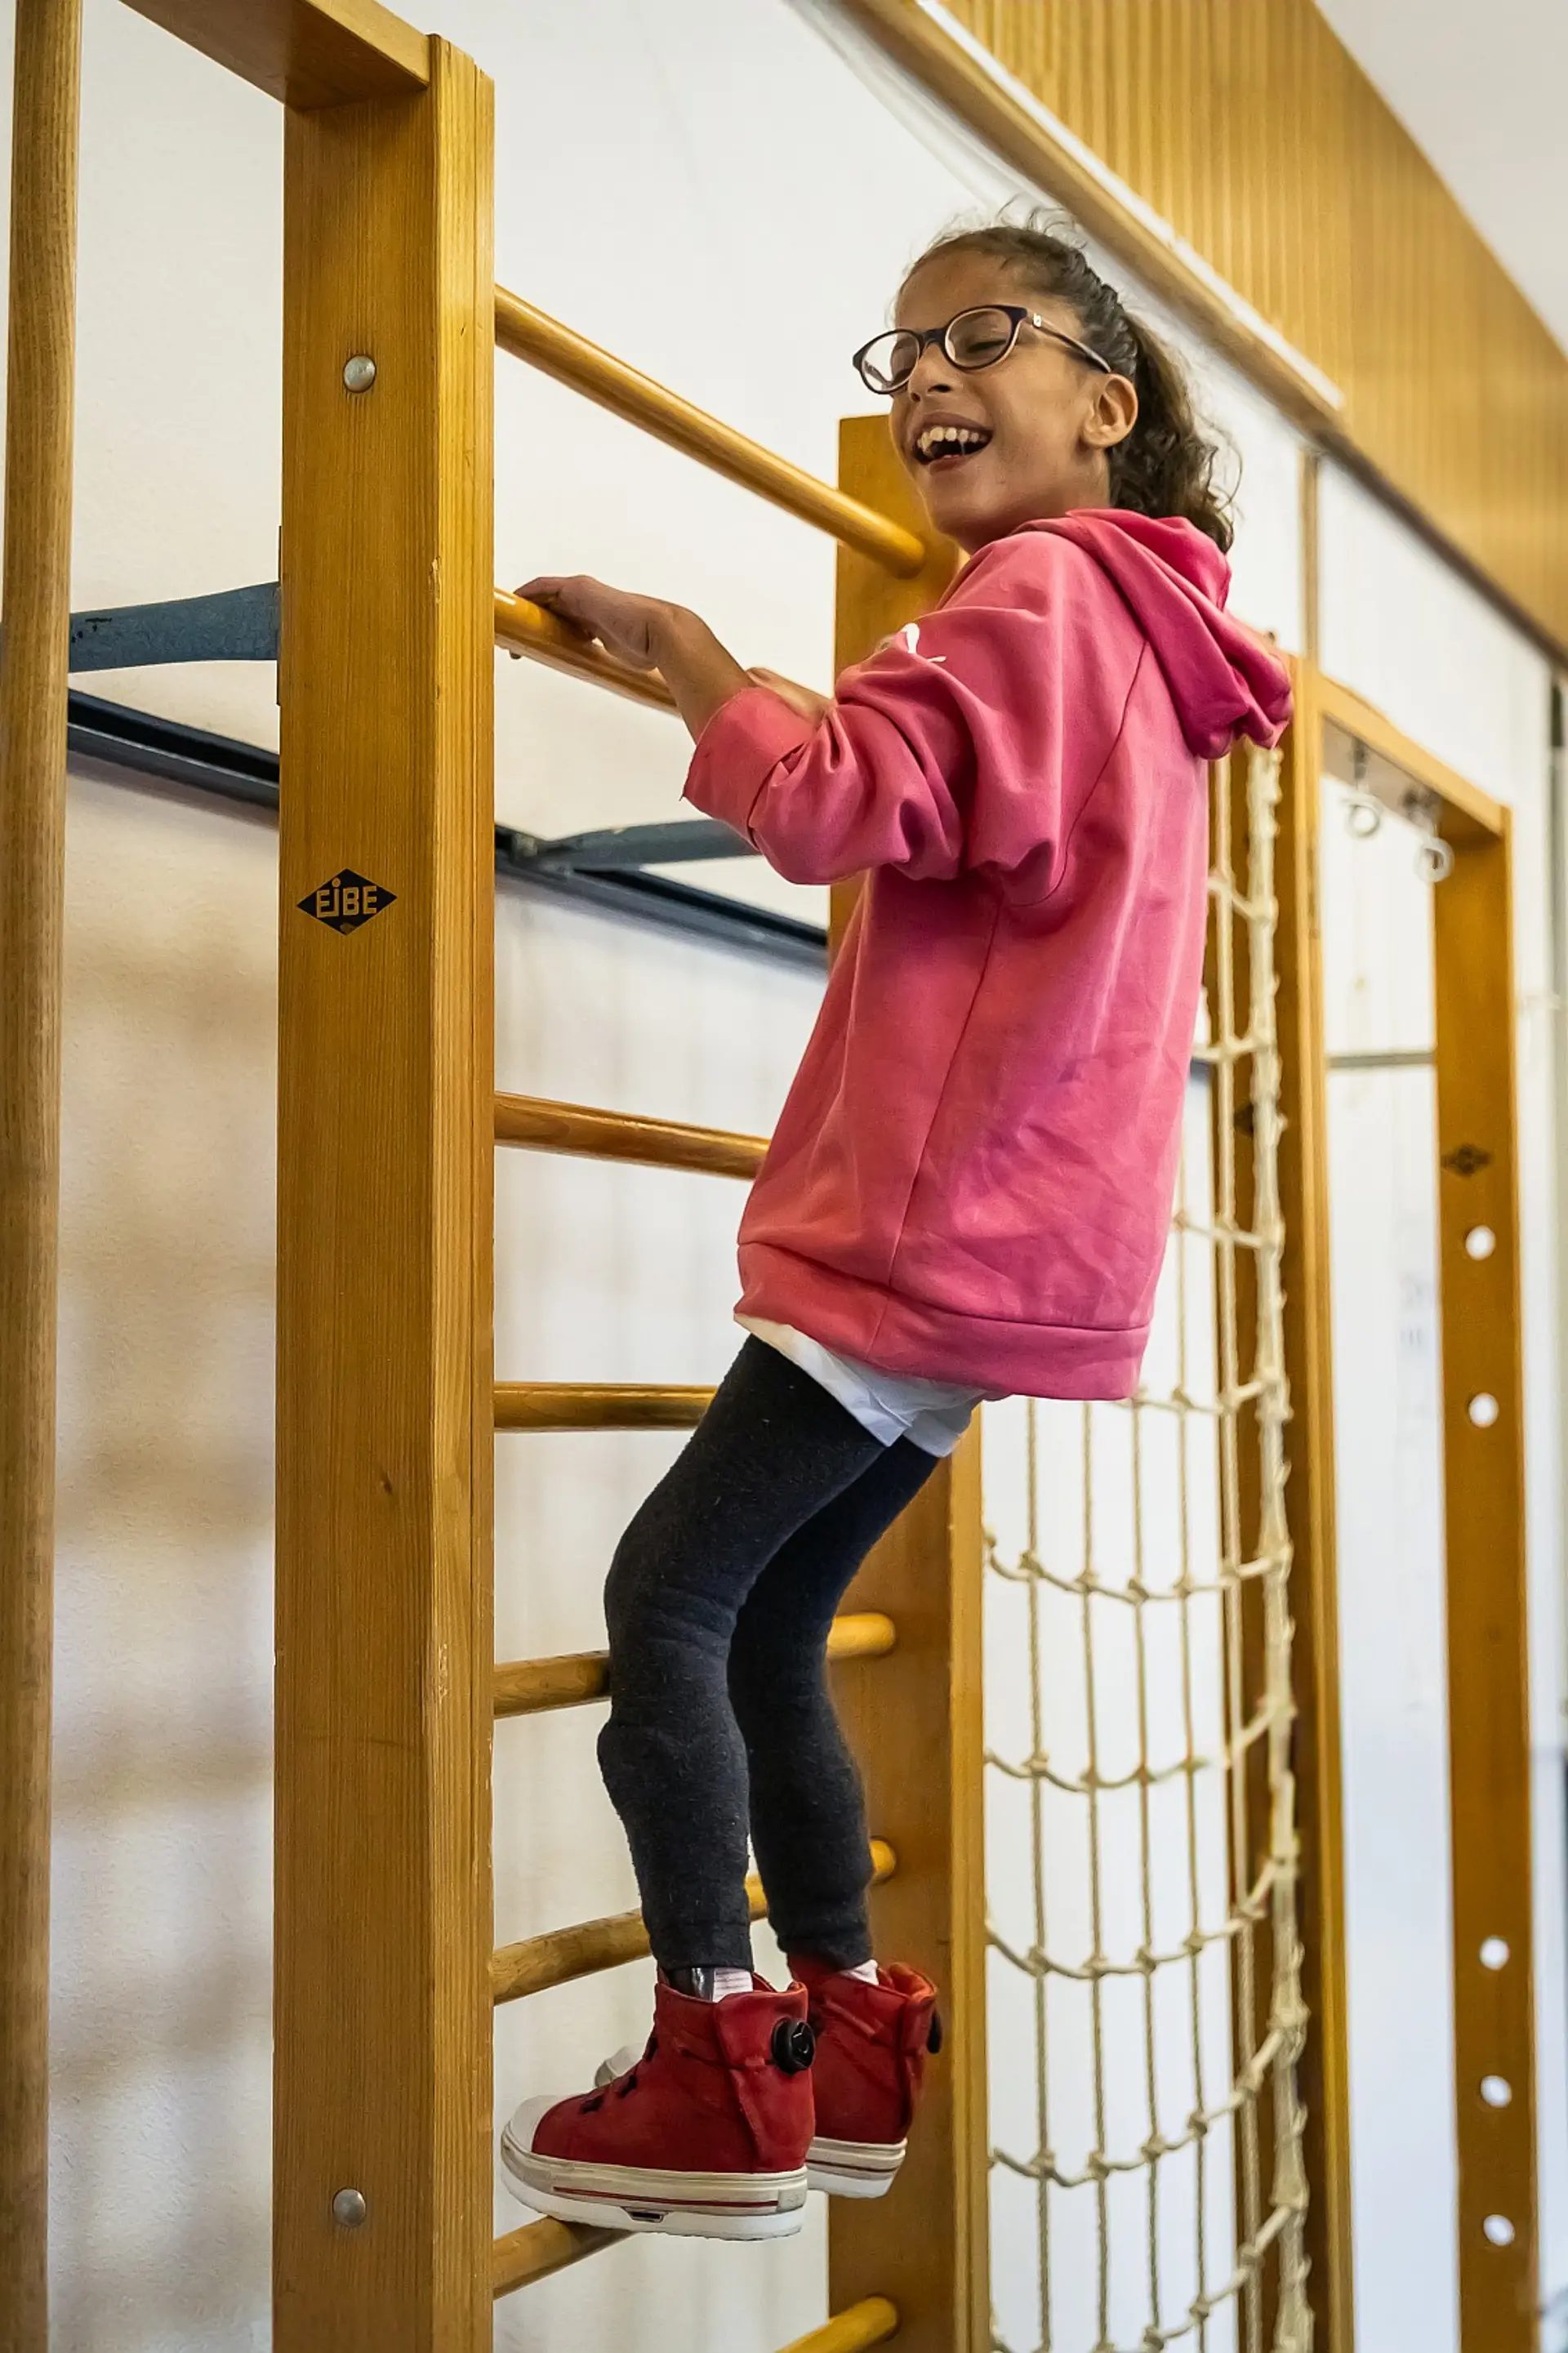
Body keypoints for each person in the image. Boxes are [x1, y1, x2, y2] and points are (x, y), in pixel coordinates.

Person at [498, 215, 1292, 2241]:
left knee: (665, 1607)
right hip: (1027, 1252)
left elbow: (837, 806)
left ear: (1105, 407)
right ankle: (844, 2036)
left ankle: (715, 2062)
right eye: (902, 351)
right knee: (768, 1623)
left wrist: (688, 657)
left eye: (983, 338)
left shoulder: (1028, 588)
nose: (925, 377)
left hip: (924, 1231)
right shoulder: (1141, 632)